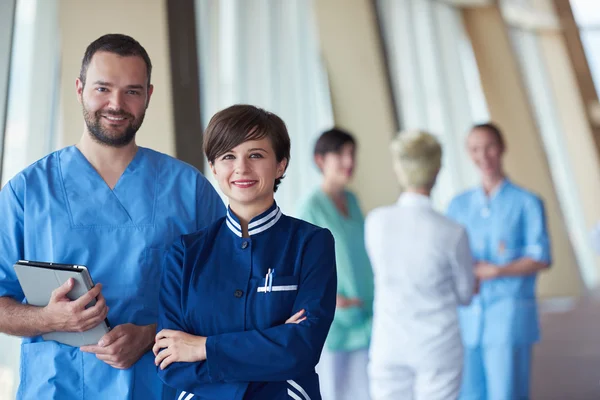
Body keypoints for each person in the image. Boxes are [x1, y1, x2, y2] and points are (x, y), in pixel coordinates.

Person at [0, 34, 225, 399]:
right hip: (58, 387)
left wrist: (152, 333)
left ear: (149, 95)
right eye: (103, 88)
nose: (116, 104)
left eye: (132, 91)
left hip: (162, 386)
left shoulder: (189, 190)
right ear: (79, 88)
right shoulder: (27, 192)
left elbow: (226, 294)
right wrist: (48, 319)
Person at [153, 104, 337, 400]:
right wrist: (272, 344)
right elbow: (169, 360)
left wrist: (202, 347)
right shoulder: (185, 253)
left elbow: (302, 348)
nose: (241, 168)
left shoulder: (312, 244)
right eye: (228, 156)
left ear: (281, 165)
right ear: (213, 167)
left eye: (256, 155)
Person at [365, 130, 475, 400]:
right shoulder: (453, 231)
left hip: (389, 343)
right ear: (437, 171)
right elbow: (465, 294)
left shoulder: (376, 222)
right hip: (437, 346)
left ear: (399, 170)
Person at [447, 123, 552, 400]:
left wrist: (498, 270)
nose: (484, 156)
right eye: (475, 149)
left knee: (506, 393)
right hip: (468, 317)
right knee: (469, 393)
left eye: (490, 147)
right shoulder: (458, 205)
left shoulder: (527, 202)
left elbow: (541, 256)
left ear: (502, 147)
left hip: (508, 315)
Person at [297, 128, 374, 400]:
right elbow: (300, 267)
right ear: (320, 160)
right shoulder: (311, 207)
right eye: (340, 154)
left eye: (352, 153)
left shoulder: (352, 200)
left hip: (366, 316)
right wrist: (331, 300)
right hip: (335, 322)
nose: (348, 161)